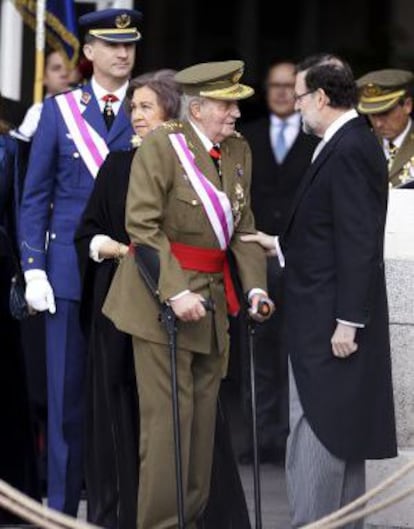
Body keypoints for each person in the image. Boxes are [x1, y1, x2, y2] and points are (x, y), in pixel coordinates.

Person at [76, 68, 252, 529]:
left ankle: (189, 518)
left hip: (211, 307)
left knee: (200, 431)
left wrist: (255, 290)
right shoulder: (158, 148)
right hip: (158, 306)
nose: (235, 112)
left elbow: (242, 228)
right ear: (196, 108)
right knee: (167, 428)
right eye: (225, 104)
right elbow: (143, 229)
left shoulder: (236, 150)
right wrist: (174, 292)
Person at [241, 54, 397, 528]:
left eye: (301, 96)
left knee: (316, 432)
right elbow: (327, 230)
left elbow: (358, 241)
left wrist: (349, 320)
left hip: (331, 323)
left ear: (322, 98)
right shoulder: (347, 141)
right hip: (326, 315)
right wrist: (281, 243)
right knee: (337, 435)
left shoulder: (348, 147)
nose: (297, 105)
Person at [19, 8, 142, 516]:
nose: (123, 53)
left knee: (122, 404)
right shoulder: (60, 111)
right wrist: (32, 267)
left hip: (133, 274)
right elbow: (35, 196)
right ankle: (64, 516)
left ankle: (119, 514)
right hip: (69, 275)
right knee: (68, 406)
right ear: (88, 53)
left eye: (130, 44)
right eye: (112, 45)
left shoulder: (150, 108)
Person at [238, 59, 319, 465]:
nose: (284, 93)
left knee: (294, 347)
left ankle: (289, 438)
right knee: (257, 351)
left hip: (299, 259)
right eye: (275, 86)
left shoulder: (316, 137)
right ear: (266, 91)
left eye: (291, 86)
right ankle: (259, 436)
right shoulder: (246, 136)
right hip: (256, 257)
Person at [0, 113, 40, 525]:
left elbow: (18, 212)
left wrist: (27, 275)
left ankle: (12, 501)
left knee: (5, 389)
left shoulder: (8, 148)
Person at [356, 68, 414, 188]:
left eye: (385, 113)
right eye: (372, 115)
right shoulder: (359, 146)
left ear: (407, 105)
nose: (378, 124)